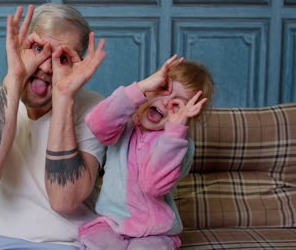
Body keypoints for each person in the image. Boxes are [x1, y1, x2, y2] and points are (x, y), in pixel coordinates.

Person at [0, 3, 107, 250]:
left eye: (62, 58)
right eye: (38, 49)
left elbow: (64, 200)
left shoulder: (93, 108)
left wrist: (63, 98)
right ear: (20, 47)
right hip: (6, 244)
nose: (47, 67)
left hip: (75, 245)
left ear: (78, 64)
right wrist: (15, 78)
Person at [78, 55, 214, 250]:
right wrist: (141, 87)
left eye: (177, 105)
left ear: (187, 117)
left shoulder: (178, 145)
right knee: (96, 242)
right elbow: (97, 123)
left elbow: (153, 186)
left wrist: (174, 133)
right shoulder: (125, 122)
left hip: (154, 229)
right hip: (111, 222)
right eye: (162, 89)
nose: (166, 102)